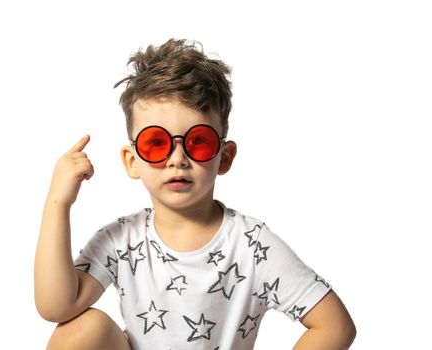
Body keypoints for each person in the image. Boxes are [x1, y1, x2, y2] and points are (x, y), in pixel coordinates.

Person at [34, 38, 356, 350]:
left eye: (198, 141)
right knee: (79, 333)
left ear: (224, 157)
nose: (177, 159)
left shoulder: (251, 243)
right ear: (132, 162)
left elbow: (335, 326)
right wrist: (58, 203)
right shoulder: (122, 240)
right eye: (156, 143)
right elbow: (57, 307)